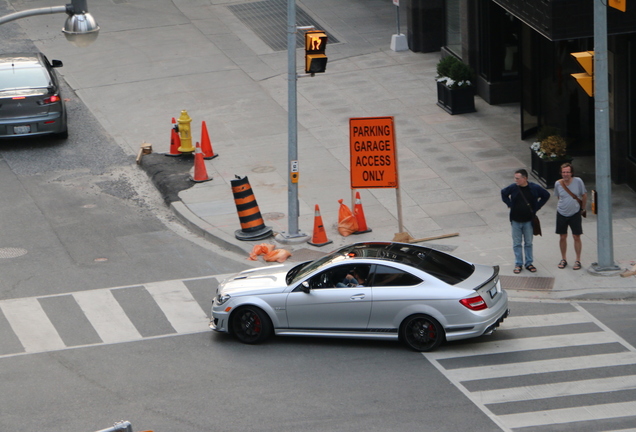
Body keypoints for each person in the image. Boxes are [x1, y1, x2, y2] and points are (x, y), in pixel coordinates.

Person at [501, 169, 550, 274]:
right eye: (515, 178)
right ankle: (518, 263)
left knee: (528, 242)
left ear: (525, 178)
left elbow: (546, 195)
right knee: (517, 243)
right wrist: (509, 204)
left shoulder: (534, 188)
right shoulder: (513, 188)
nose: (516, 180)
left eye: (518, 178)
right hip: (516, 220)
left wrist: (537, 207)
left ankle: (529, 263)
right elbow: (503, 193)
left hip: (528, 221)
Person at [554, 162, 587, 270]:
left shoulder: (578, 181)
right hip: (561, 213)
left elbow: (584, 194)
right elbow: (559, 197)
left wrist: (582, 208)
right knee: (562, 236)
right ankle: (563, 258)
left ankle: (578, 260)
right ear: (561, 173)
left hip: (575, 213)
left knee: (576, 236)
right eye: (563, 172)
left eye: (568, 172)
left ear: (571, 173)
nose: (566, 174)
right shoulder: (558, 184)